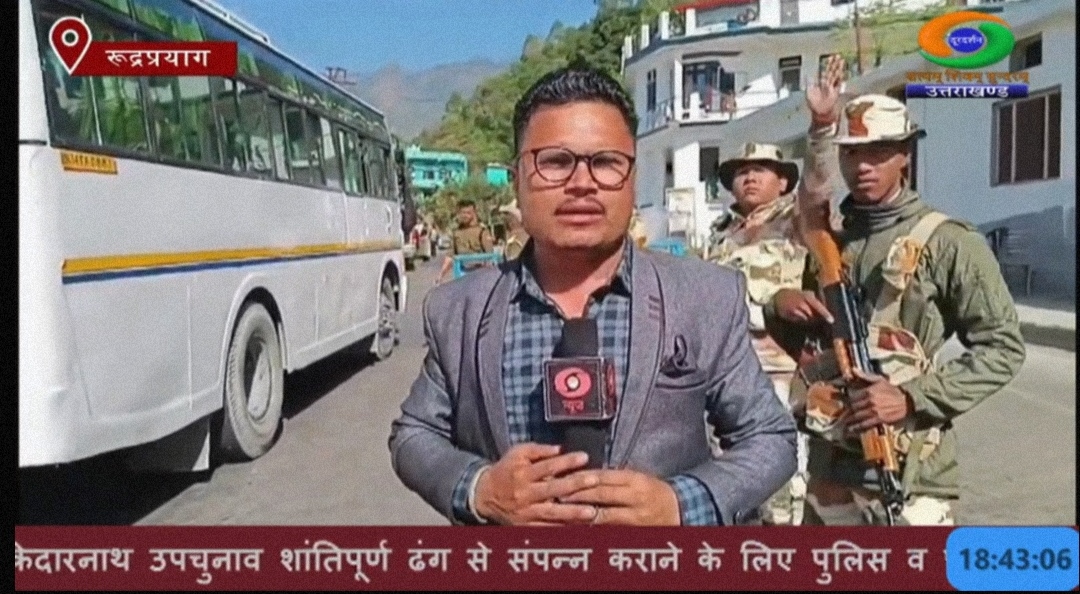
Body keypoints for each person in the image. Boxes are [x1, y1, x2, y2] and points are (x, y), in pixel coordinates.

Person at [389, 66, 797, 527]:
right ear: (518, 179)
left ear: (632, 179)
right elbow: (414, 434)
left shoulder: (704, 297)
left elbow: (770, 437)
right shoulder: (459, 309)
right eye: (555, 161)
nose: (581, 182)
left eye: (605, 162)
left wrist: (682, 504)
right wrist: (479, 489)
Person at [764, 55, 1026, 526]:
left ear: (906, 154)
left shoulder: (949, 241)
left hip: (907, 467)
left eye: (879, 151)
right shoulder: (832, 242)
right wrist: (778, 308)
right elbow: (811, 345)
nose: (863, 166)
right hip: (830, 466)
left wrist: (910, 397)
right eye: (851, 153)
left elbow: (1003, 348)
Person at [706, 141, 809, 526]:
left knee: (783, 478)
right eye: (741, 171)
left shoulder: (799, 219)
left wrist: (820, 131)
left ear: (782, 182)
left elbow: (820, 183)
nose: (749, 177)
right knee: (731, 474)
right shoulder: (721, 232)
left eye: (760, 169)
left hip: (779, 370)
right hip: (724, 371)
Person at [436, 199, 495, 284]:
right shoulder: (457, 233)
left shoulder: (482, 231)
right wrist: (441, 275)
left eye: (468, 213)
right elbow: (450, 257)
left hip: (480, 275)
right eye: (462, 213)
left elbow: (490, 257)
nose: (464, 216)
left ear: (474, 213)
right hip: (462, 275)